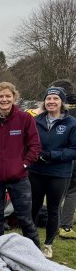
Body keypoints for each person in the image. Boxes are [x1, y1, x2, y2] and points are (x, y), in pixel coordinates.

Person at [0, 82, 41, 248]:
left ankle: (35, 256)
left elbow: (35, 145)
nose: (4, 99)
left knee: (25, 218)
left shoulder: (25, 119)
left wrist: (23, 165)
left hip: (19, 177)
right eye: (0, 96)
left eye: (7, 96)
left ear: (14, 97)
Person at [29, 87, 76, 258]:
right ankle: (29, 242)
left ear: (62, 102)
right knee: (33, 206)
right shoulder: (36, 120)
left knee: (53, 209)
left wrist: (52, 156)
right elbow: (28, 141)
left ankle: (48, 244)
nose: (51, 102)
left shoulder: (71, 123)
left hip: (59, 173)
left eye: (55, 98)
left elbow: (74, 149)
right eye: (48, 98)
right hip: (36, 171)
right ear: (44, 101)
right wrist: (34, 154)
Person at [52, 80, 76, 239]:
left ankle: (58, 222)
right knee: (72, 190)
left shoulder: (59, 109)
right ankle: (65, 226)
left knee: (59, 189)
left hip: (60, 154)